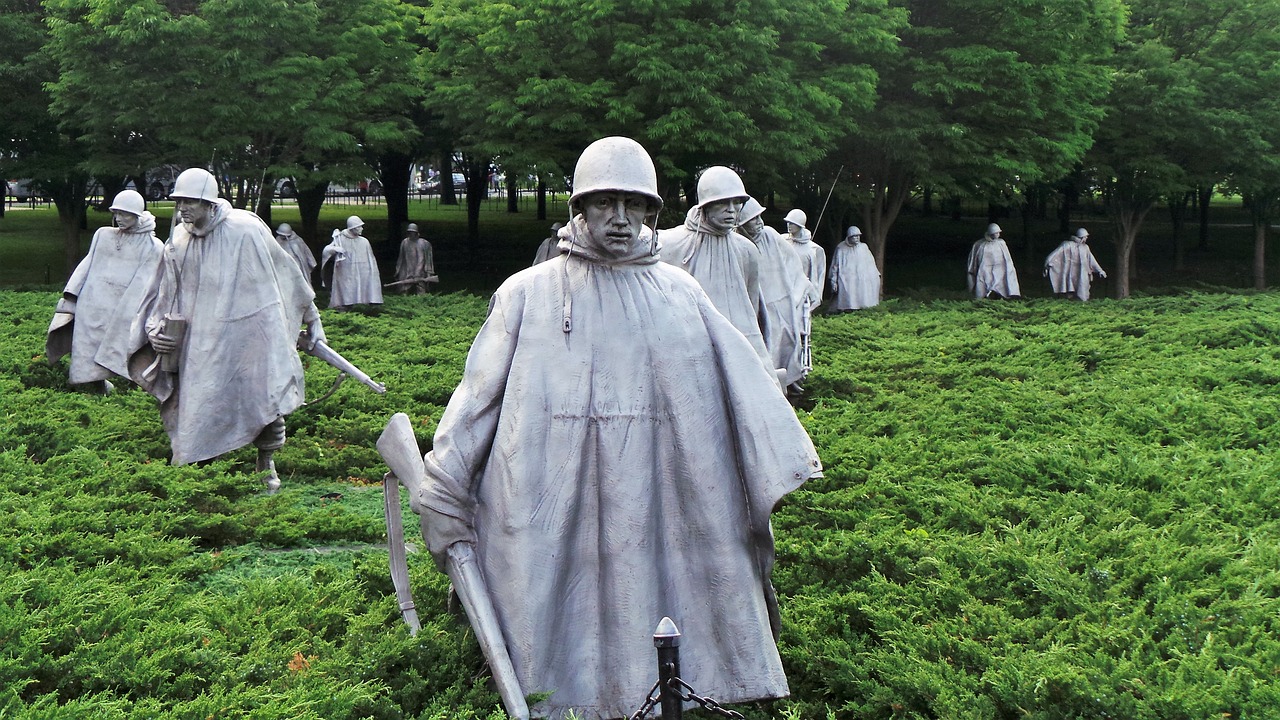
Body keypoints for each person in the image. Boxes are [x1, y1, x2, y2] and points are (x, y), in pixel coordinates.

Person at [408, 137, 821, 719]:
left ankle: (681, 686)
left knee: (656, 588)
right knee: (558, 633)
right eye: (605, 203)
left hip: (662, 499)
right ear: (581, 207)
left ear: (654, 212)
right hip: (551, 499)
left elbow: (740, 395)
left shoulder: (680, 294)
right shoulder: (529, 293)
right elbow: (477, 400)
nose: (620, 219)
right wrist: (444, 485)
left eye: (635, 205)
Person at [130, 168, 326, 490]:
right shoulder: (179, 238)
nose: (184, 208)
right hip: (199, 340)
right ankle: (201, 467)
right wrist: (155, 329)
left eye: (191, 201)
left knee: (262, 397)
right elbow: (166, 291)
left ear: (209, 201)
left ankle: (267, 464)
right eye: (180, 201)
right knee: (200, 401)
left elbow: (286, 275)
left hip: (249, 333)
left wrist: (312, 319)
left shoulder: (245, 230)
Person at [658, 166, 773, 376]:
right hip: (687, 352)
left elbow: (752, 307)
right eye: (722, 202)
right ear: (705, 205)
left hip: (739, 353)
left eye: (736, 202)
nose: (731, 209)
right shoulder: (669, 244)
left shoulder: (746, 250)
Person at [46, 189, 163, 394]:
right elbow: (87, 264)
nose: (119, 218)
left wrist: (131, 312)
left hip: (123, 308)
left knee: (123, 348)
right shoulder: (103, 235)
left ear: (136, 214)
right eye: (116, 213)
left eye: (124, 214)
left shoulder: (153, 246)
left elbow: (147, 283)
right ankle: (93, 386)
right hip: (92, 303)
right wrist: (71, 296)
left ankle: (133, 392)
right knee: (87, 348)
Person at [737, 196, 815, 392]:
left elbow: (792, 263)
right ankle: (768, 386)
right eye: (753, 219)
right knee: (764, 345)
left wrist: (797, 291)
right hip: (756, 305)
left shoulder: (771, 235)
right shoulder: (738, 243)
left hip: (781, 299)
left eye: (760, 217)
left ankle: (790, 378)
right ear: (743, 224)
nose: (760, 223)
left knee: (787, 339)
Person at [321, 215, 383, 310]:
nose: (362, 229)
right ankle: (343, 305)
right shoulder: (340, 239)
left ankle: (362, 305)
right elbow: (326, 250)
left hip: (362, 271)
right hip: (345, 270)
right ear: (352, 228)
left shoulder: (364, 242)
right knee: (346, 289)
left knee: (360, 287)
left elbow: (371, 260)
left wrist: (372, 273)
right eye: (359, 227)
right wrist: (334, 249)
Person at [828, 225, 881, 312]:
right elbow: (835, 265)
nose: (857, 238)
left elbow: (870, 263)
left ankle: (862, 312)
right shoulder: (841, 248)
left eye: (858, 236)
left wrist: (875, 275)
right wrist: (834, 280)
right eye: (854, 236)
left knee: (862, 297)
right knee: (849, 299)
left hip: (861, 279)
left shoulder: (863, 247)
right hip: (846, 279)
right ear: (849, 237)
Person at [1045, 227, 1107, 301]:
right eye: (1085, 236)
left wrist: (1100, 270)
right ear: (1082, 237)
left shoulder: (1086, 248)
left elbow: (1092, 260)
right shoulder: (1067, 245)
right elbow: (1056, 253)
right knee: (1070, 292)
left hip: (1083, 272)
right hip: (1071, 273)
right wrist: (1048, 263)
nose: (1087, 238)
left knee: (1083, 292)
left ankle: (1082, 306)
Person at [966, 222, 1021, 299]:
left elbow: (1007, 258)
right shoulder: (980, 244)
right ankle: (984, 296)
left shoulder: (1001, 243)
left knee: (1000, 284)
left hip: (999, 269)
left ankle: (1001, 296)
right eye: (996, 233)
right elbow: (975, 258)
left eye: (999, 233)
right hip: (985, 269)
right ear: (991, 233)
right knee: (984, 283)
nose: (998, 234)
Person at [784, 208, 826, 302]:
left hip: (802, 292)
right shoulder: (782, 241)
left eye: (792, 223)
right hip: (784, 289)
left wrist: (816, 296)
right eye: (788, 222)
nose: (789, 225)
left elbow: (819, 275)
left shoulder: (814, 249)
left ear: (800, 225)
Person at [393, 222, 437, 294]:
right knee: (403, 286)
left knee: (420, 286)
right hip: (407, 269)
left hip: (419, 270)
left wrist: (417, 272)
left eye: (412, 232)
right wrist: (398, 270)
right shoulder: (405, 242)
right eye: (409, 232)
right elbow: (401, 258)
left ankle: (421, 299)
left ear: (416, 233)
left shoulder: (421, 243)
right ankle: (404, 298)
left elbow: (421, 259)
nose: (411, 234)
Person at [275, 223, 316, 287]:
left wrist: (311, 262)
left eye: (282, 235)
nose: (281, 236)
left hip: (296, 265)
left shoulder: (297, 241)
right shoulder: (278, 240)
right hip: (283, 267)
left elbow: (306, 252)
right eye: (280, 234)